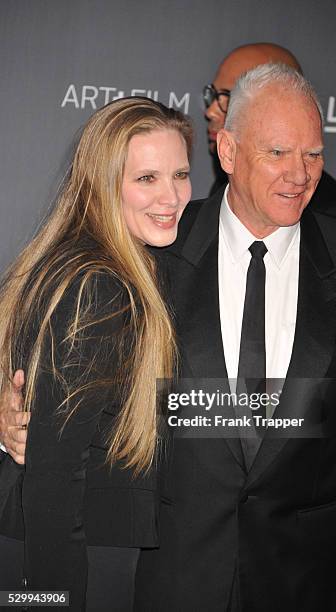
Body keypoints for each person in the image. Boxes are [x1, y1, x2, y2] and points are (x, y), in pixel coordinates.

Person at [1, 66, 336, 612]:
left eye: (313, 154)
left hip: (302, 572)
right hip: (165, 570)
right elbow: (71, 405)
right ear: (230, 152)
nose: (299, 174)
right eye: (279, 152)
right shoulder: (150, 248)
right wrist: (15, 420)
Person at [0, 96, 192, 611]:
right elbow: (55, 468)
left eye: (180, 174)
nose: (171, 197)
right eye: (146, 179)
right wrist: (51, 598)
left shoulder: (89, 262)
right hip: (71, 552)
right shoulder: (100, 285)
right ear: (102, 185)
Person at [203, 42, 336, 225]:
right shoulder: (229, 186)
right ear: (227, 151)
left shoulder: (334, 221)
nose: (211, 111)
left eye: (230, 97)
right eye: (277, 153)